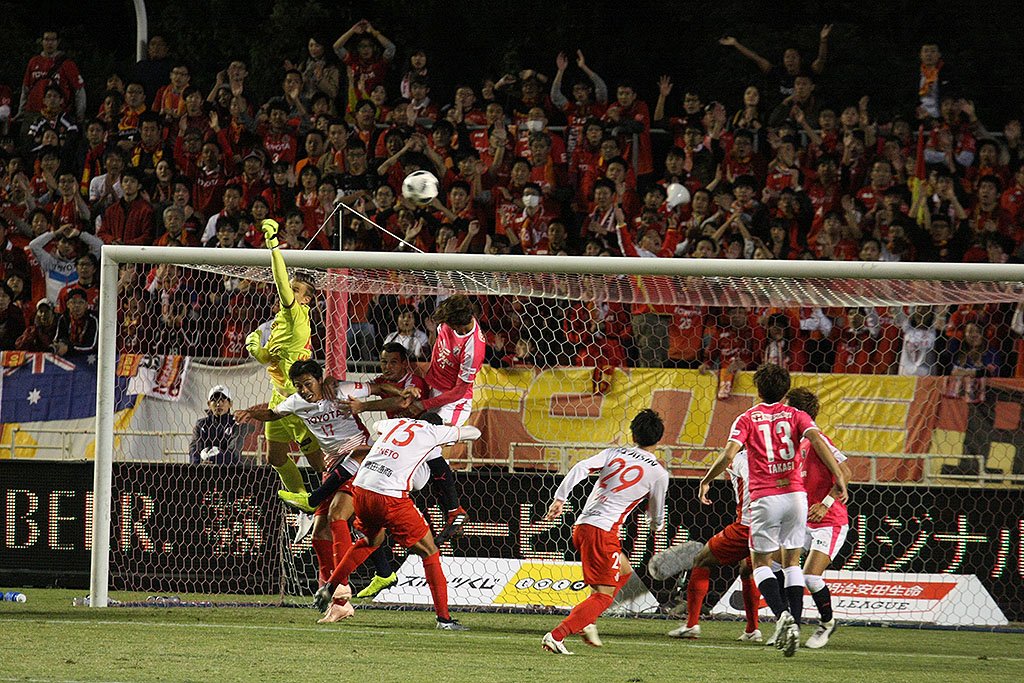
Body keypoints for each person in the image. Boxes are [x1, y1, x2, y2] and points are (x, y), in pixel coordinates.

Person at [698, 363, 847, 657]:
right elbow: (817, 439)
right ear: (784, 390)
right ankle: (795, 624)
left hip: (766, 497)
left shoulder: (748, 417)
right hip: (796, 497)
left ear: (758, 389)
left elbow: (729, 454)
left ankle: (783, 618)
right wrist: (839, 476)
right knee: (791, 565)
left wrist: (706, 480)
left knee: (760, 564)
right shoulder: (797, 417)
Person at [316, 412, 480, 629]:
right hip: (390, 496)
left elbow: (377, 424)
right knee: (430, 551)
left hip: (362, 490)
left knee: (371, 541)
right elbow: (475, 432)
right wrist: (448, 431)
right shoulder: (432, 432)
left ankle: (331, 586)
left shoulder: (397, 423)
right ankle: (444, 619)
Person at [540, 409, 669, 654]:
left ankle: (587, 620)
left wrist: (560, 499)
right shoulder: (658, 473)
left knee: (625, 570)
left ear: (633, 434)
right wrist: (657, 526)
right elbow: (656, 515)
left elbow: (580, 466)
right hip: (603, 533)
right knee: (604, 596)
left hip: (583, 526)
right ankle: (557, 635)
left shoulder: (614, 453)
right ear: (659, 439)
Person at [244, 218, 321, 492]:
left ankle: (336, 499)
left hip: (296, 399)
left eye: (295, 289)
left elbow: (279, 279)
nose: (288, 291)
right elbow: (270, 359)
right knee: (275, 457)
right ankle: (302, 500)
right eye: (290, 287)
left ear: (306, 299)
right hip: (279, 397)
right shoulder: (280, 321)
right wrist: (257, 349)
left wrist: (273, 245)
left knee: (319, 463)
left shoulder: (296, 314)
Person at [665, 447, 762, 642]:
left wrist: (706, 481)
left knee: (702, 560)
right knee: (748, 569)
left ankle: (691, 625)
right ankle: (753, 630)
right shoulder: (775, 457)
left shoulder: (741, 458)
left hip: (747, 526)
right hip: (775, 527)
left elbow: (740, 469)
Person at [784, 387, 851, 650]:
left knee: (810, 578)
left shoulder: (816, 439)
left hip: (829, 522)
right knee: (776, 566)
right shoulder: (798, 443)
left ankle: (827, 622)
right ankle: (789, 626)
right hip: (803, 521)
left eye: (787, 408)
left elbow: (845, 472)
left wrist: (825, 504)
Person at [188, 385, 245, 465]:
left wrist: (213, 461)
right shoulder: (201, 425)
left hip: (229, 470)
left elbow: (234, 453)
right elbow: (194, 449)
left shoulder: (236, 425)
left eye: (222, 400)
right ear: (208, 404)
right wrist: (199, 465)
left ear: (230, 404)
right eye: (214, 400)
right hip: (203, 469)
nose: (218, 404)